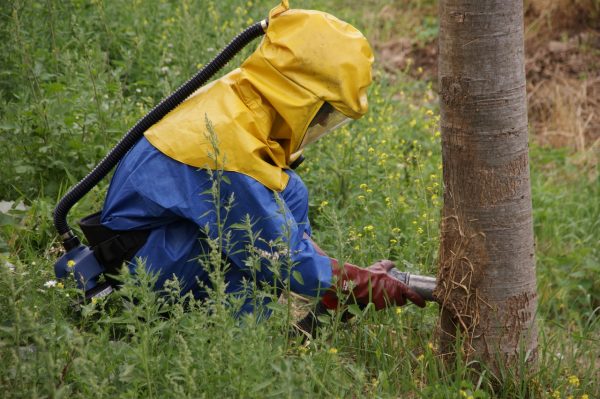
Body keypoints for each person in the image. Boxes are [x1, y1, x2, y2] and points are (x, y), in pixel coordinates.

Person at [98, 1, 425, 317]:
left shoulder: (243, 96)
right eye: (323, 114)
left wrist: (340, 279)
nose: (322, 124)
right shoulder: (227, 147)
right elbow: (281, 257)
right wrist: (358, 284)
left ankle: (300, 301)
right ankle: (244, 335)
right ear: (296, 98)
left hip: (161, 238)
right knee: (258, 250)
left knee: (290, 190)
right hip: (140, 268)